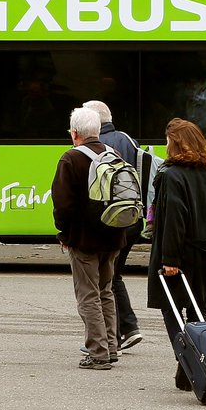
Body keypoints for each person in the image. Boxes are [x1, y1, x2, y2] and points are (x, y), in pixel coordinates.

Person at [146, 117, 206, 391]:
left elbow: (174, 220)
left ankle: (188, 362)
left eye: (168, 140)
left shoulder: (171, 175)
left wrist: (170, 260)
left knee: (171, 309)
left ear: (175, 143)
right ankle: (192, 365)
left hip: (180, 254)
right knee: (197, 311)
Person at [51, 107, 127, 370]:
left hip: (84, 240)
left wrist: (64, 233)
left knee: (88, 295)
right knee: (106, 291)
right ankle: (111, 347)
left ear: (74, 133)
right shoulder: (113, 154)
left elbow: (63, 205)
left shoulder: (70, 159)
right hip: (113, 235)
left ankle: (98, 353)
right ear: (97, 130)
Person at [82, 100, 143, 352]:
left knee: (103, 281)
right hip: (131, 220)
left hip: (109, 222)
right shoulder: (128, 140)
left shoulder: (98, 147)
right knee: (113, 275)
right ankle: (128, 328)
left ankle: (113, 335)